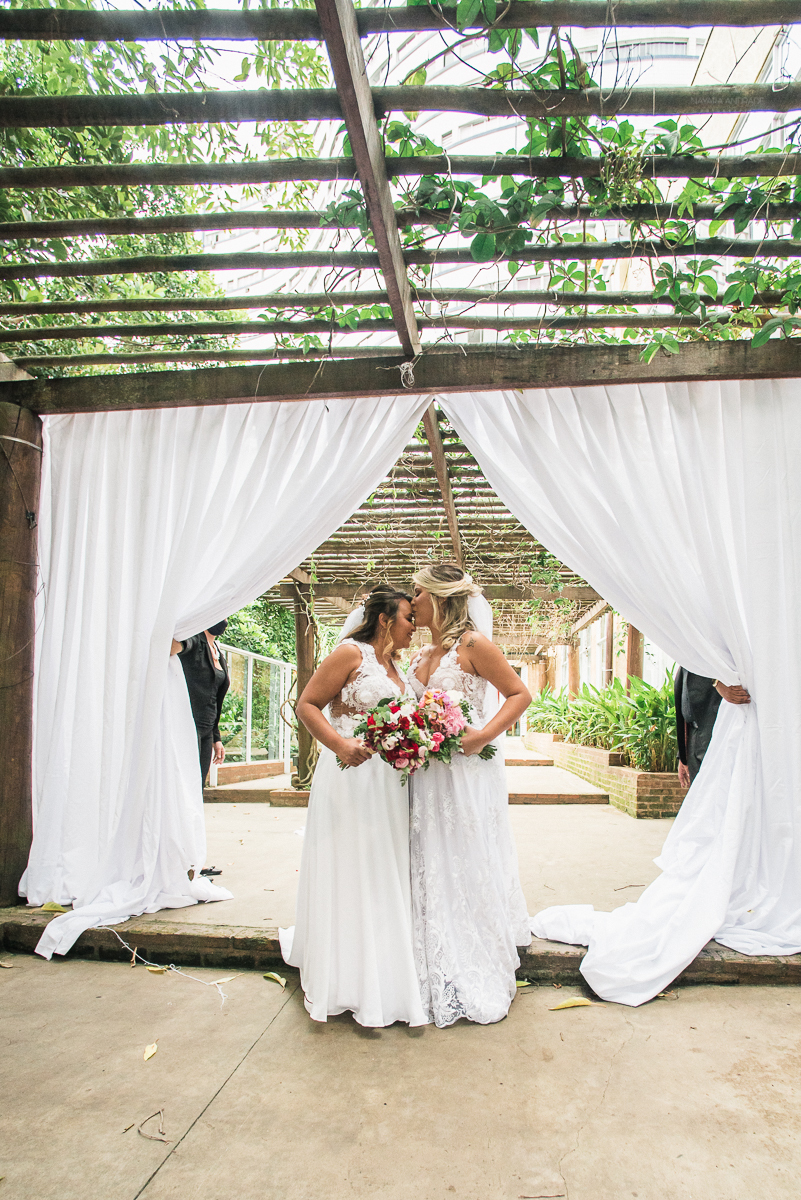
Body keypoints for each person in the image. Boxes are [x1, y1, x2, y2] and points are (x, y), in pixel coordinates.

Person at [279, 589, 428, 1028]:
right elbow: (307, 705)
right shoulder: (350, 653)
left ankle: (381, 965)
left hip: (389, 783)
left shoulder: (396, 667)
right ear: (384, 618)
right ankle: (343, 971)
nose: (413, 626)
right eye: (408, 617)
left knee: (382, 866)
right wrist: (341, 745)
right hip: (349, 776)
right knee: (351, 863)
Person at [408, 563, 533, 1028]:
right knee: (428, 854)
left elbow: (519, 694)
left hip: (463, 772)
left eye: (417, 593)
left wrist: (481, 736)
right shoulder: (423, 651)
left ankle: (471, 954)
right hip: (425, 774)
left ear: (439, 597)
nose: (411, 602)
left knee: (462, 854)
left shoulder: (474, 644)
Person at [170, 619, 230, 786]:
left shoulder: (217, 650)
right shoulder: (195, 639)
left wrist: (216, 738)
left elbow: (216, 698)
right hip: (188, 726)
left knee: (199, 785)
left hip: (207, 730)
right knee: (186, 783)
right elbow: (174, 647)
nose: (225, 620)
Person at [674, 667, 751, 788]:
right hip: (692, 739)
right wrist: (682, 755)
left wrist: (716, 682)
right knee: (697, 793)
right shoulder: (686, 662)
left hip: (713, 734)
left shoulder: (713, 661)